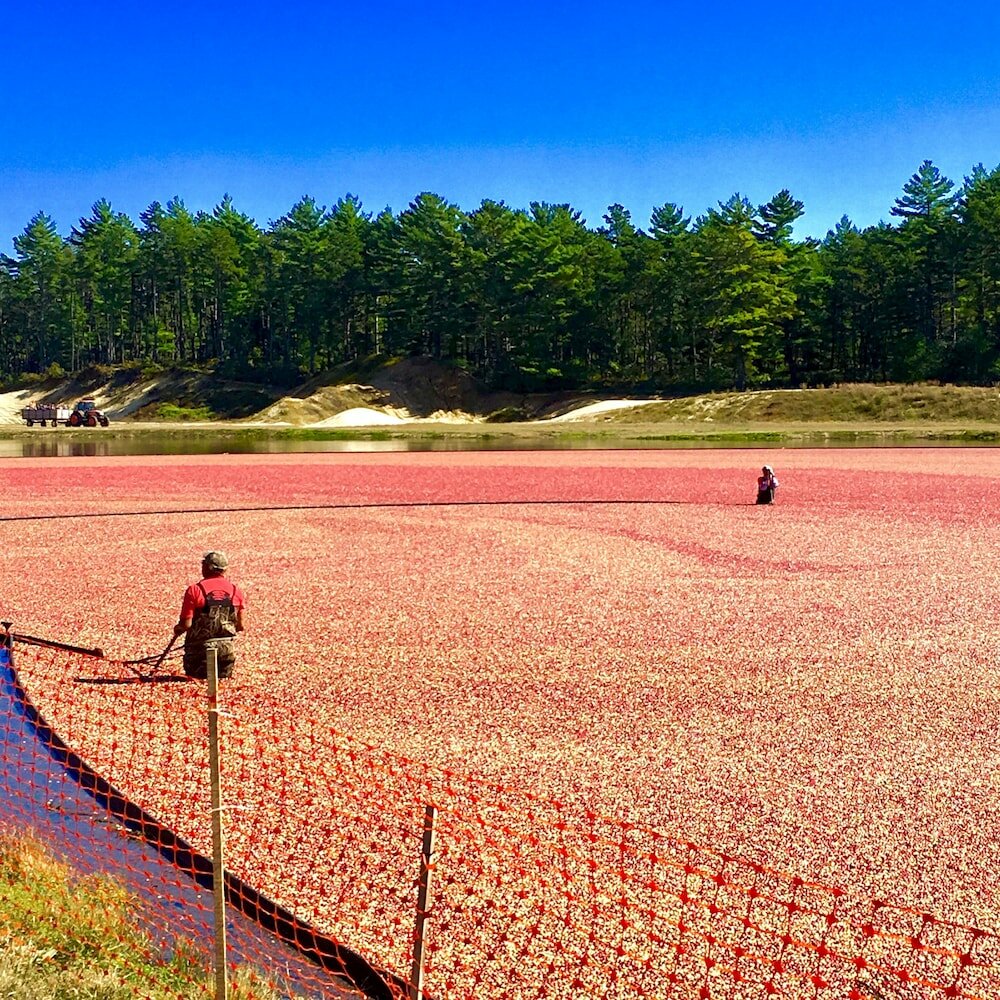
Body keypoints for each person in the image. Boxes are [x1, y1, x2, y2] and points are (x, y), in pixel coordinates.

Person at [174, 551, 245, 680]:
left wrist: (178, 628)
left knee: (198, 687)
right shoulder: (236, 591)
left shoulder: (195, 590)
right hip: (226, 651)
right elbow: (241, 626)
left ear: (208, 567)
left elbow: (186, 624)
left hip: (199, 652)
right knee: (222, 687)